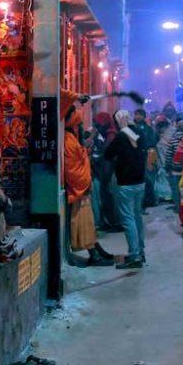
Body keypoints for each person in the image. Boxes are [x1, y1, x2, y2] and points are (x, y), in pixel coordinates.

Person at [63, 95, 115, 267]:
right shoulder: (68, 141)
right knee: (84, 223)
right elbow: (72, 168)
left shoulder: (72, 139)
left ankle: (96, 248)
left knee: (90, 222)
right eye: (78, 124)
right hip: (79, 190)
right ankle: (93, 253)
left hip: (83, 187)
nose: (80, 127)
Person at [104, 110, 148, 269]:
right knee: (136, 216)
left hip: (126, 183)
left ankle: (134, 255)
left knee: (128, 218)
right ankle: (140, 251)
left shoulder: (121, 136)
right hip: (140, 182)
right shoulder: (141, 133)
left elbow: (107, 154)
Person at [132, 108, 160, 208]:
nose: (137, 117)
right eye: (136, 114)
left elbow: (152, 142)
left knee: (149, 179)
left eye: (139, 115)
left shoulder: (148, 129)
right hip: (137, 157)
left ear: (144, 117)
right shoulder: (132, 127)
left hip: (148, 155)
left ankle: (150, 200)